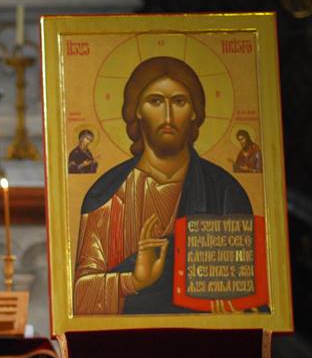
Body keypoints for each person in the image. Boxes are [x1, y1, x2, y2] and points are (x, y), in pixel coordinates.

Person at [73, 56, 253, 315]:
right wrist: (134, 281)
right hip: (125, 338)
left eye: (179, 101)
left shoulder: (224, 192)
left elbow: (246, 294)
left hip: (203, 337)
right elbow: (80, 297)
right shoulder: (106, 195)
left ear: (194, 112)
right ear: (137, 110)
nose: (168, 116)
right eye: (155, 101)